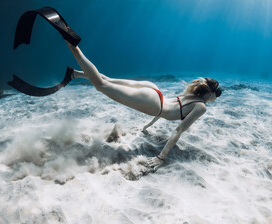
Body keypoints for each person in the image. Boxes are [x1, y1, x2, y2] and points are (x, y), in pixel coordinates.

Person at [66, 41, 222, 171]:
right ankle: (74, 47)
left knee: (107, 79)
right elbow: (178, 130)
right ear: (210, 94)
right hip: (153, 103)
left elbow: (168, 110)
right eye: (217, 95)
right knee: (101, 85)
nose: (216, 98)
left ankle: (74, 74)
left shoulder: (192, 95)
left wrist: (147, 126)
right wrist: (161, 158)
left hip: (154, 91)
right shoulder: (201, 107)